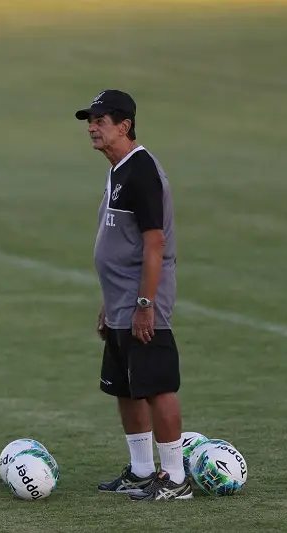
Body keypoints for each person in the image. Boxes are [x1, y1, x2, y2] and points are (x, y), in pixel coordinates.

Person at [75, 89, 191, 501]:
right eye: (90, 121)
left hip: (144, 302)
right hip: (121, 301)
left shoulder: (142, 172)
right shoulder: (119, 169)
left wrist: (145, 305)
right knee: (124, 387)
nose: (92, 128)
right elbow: (120, 242)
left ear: (124, 126)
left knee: (157, 386)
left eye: (101, 121)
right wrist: (110, 301)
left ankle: (175, 478)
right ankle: (142, 471)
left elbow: (155, 243)